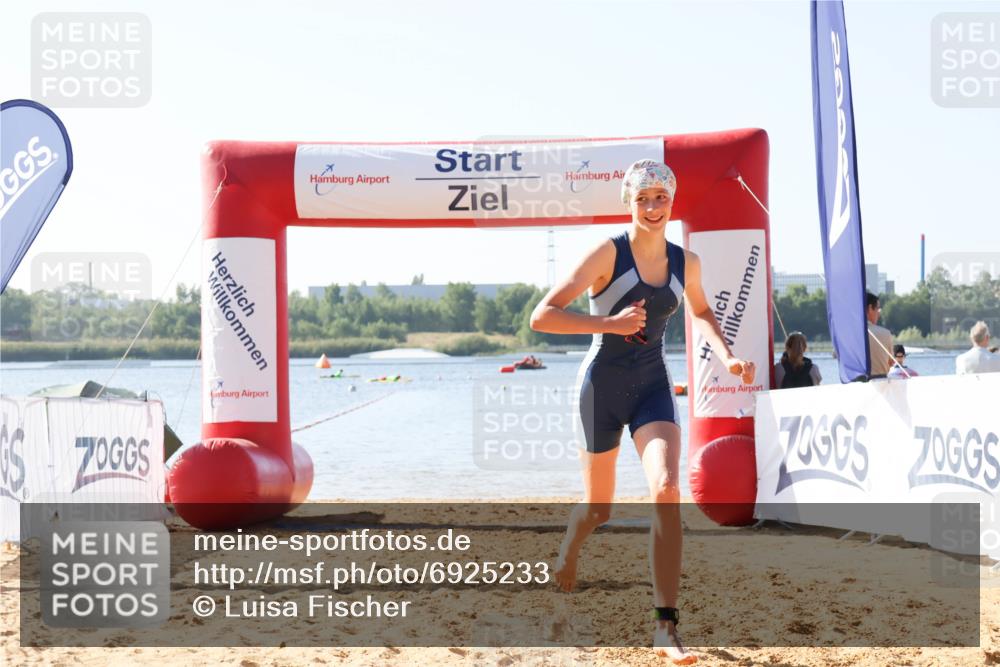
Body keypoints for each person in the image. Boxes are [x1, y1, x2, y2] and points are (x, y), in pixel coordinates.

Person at [530, 159, 755, 664]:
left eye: (661, 198)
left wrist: (727, 356)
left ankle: (665, 627)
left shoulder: (686, 263)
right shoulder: (608, 253)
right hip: (601, 390)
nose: (653, 208)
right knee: (599, 509)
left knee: (668, 490)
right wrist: (610, 323)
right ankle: (571, 542)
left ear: (672, 202)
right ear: (629, 203)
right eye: (643, 199)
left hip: (652, 387)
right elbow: (541, 316)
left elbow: (699, 310)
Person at [866, 291, 894, 377]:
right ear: (870, 308)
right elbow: (891, 362)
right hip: (881, 384)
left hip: (854, 385)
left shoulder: (850, 335)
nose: (879, 313)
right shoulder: (885, 334)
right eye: (878, 308)